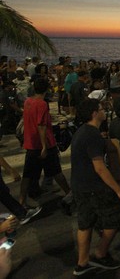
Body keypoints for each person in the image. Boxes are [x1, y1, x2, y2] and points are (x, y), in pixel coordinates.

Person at [71, 98, 120, 276]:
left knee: (85, 224)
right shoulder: (92, 135)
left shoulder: (82, 132)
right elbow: (99, 167)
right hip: (93, 188)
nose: (104, 110)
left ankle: (82, 264)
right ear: (94, 114)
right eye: (101, 108)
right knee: (116, 217)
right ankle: (100, 254)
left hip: (79, 186)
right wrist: (119, 191)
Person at [19, 78, 72, 210]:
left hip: (31, 144)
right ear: (46, 90)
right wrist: (44, 146)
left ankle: (21, 202)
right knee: (57, 172)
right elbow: (41, 125)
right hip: (45, 144)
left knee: (27, 175)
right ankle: (70, 195)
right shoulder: (41, 104)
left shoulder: (28, 102)